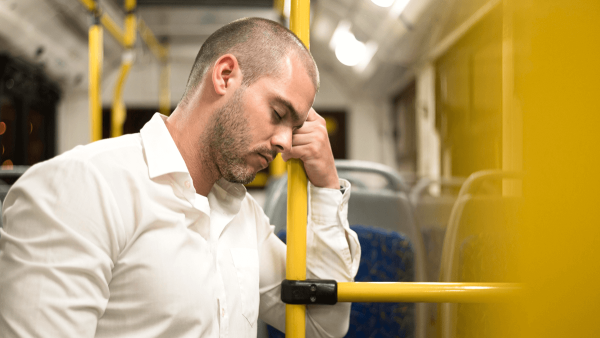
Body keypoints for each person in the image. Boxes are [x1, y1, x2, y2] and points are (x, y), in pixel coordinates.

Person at [0, 17, 360, 338]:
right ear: (224, 76)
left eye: (294, 127)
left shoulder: (243, 216)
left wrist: (326, 185)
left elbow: (322, 325)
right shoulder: (82, 188)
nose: (285, 141)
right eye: (278, 113)